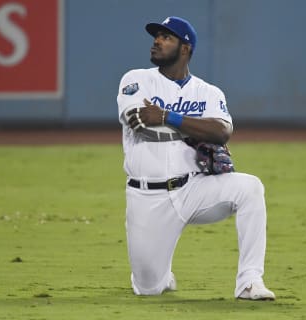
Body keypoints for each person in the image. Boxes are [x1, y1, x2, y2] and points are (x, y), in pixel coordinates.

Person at [116, 16, 275, 300]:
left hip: (194, 188)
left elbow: (222, 131)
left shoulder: (208, 92)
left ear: (185, 48)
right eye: (157, 36)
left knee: (250, 188)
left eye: (167, 37)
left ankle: (250, 281)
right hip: (147, 197)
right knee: (148, 288)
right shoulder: (136, 79)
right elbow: (138, 119)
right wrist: (196, 127)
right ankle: (159, 272)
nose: (157, 41)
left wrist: (168, 116)